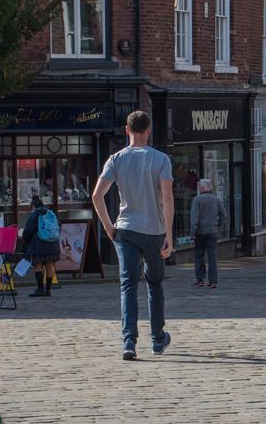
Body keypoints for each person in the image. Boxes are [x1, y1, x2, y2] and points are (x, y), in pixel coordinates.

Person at [92, 110, 174, 361]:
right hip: (154, 230)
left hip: (125, 230)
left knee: (128, 285)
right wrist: (169, 234)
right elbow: (168, 198)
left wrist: (108, 227)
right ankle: (158, 338)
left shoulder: (115, 159)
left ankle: (129, 341)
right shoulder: (161, 159)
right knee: (154, 284)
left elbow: (97, 196)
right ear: (148, 130)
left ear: (126, 130)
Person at [189, 178, 227, 289]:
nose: (199, 188)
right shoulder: (216, 200)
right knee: (212, 257)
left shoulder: (197, 200)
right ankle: (213, 281)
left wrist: (193, 232)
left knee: (199, 256)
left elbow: (194, 218)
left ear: (204, 188)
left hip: (200, 232)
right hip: (212, 232)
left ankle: (200, 279)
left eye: (200, 186)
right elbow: (223, 215)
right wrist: (217, 225)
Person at [21, 195, 61, 299]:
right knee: (49, 265)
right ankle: (48, 290)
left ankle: (40, 289)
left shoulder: (35, 214)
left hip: (38, 244)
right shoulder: (51, 213)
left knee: (37, 265)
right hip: (52, 243)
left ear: (33, 206)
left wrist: (25, 240)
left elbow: (28, 231)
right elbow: (58, 227)